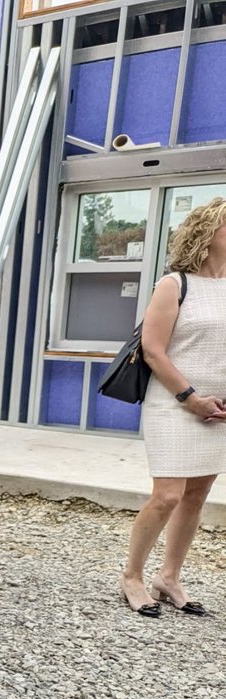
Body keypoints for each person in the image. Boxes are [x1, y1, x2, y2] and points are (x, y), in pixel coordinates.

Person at [121, 197, 226, 617]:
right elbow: (153, 350)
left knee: (197, 496)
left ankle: (169, 577)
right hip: (175, 402)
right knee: (167, 495)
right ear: (209, 232)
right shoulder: (174, 284)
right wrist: (190, 398)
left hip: (218, 408)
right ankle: (132, 575)